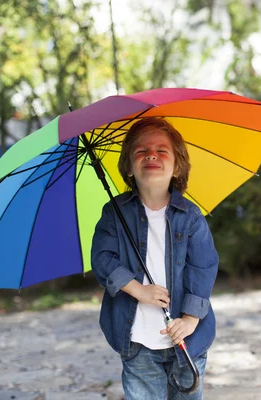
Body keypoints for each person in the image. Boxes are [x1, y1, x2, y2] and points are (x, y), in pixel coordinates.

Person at [91, 117, 219, 399]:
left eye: (162, 150)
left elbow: (204, 267)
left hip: (187, 339)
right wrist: (139, 290)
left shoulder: (191, 216)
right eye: (141, 151)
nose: (151, 154)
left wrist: (190, 320)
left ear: (177, 165)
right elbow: (102, 258)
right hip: (137, 339)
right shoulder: (114, 213)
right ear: (128, 166)